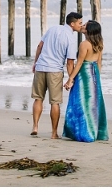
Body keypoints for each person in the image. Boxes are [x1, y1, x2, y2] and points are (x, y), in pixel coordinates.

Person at [30, 11, 83, 139]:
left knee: (38, 98)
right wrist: (72, 79)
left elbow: (40, 46)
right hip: (55, 71)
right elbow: (70, 62)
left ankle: (35, 126)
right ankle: (54, 133)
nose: (81, 26)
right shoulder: (71, 39)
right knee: (55, 103)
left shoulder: (52, 28)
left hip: (41, 67)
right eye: (80, 23)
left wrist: (35, 62)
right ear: (72, 24)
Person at [62, 20, 109, 142]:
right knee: (93, 103)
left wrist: (70, 79)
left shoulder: (84, 44)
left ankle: (83, 132)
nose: (82, 26)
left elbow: (79, 64)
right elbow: (99, 62)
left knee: (80, 102)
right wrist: (97, 78)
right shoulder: (99, 42)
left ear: (88, 30)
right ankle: (95, 131)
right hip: (94, 74)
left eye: (85, 26)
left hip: (84, 74)